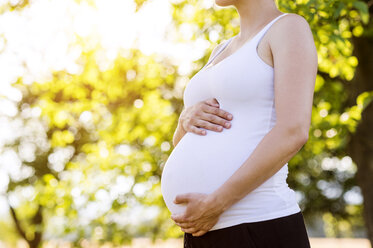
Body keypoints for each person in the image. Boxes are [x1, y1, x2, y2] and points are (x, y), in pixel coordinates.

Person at [161, 0, 318, 247]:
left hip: (257, 224)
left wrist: (217, 203)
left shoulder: (288, 28)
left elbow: (293, 131)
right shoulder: (220, 50)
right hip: (202, 230)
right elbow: (185, 142)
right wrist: (184, 121)